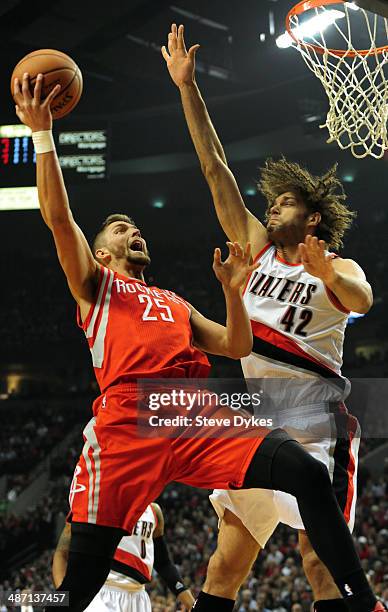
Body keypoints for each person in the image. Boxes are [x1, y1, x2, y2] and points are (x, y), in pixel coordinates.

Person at [13, 71, 384, 612]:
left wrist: (239, 292)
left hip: (214, 413)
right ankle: (26, 600)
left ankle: (366, 603)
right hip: (134, 420)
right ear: (100, 255)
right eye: (118, 228)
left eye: (133, 226)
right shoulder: (96, 287)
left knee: (308, 495)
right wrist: (43, 136)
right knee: (79, 590)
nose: (130, 228)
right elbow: (61, 217)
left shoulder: (177, 302)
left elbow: (241, 344)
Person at [162, 22, 382, 612]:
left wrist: (329, 274)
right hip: (257, 420)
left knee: (319, 563)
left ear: (312, 219)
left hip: (314, 424)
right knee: (226, 562)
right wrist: (187, 87)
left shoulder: (338, 265)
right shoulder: (256, 250)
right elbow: (217, 171)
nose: (272, 205)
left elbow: (362, 299)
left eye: (285, 201)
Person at [52, 503, 195, 611]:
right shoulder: (95, 503)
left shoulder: (154, 510)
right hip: (101, 592)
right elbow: (62, 553)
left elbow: (163, 563)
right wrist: (66, 596)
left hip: (139, 597)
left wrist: (186, 597)